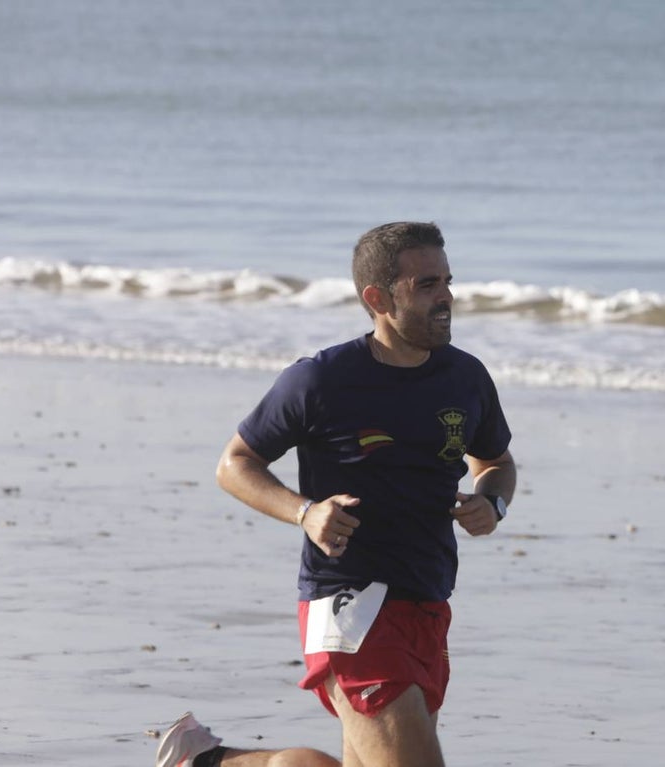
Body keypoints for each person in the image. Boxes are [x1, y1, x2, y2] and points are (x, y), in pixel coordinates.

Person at [157, 222, 516, 767]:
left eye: (447, 281)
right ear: (378, 298)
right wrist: (305, 512)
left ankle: (206, 761)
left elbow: (495, 462)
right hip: (351, 603)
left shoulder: (465, 377)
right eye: (426, 285)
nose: (446, 298)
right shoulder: (320, 381)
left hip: (429, 600)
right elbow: (235, 464)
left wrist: (492, 502)